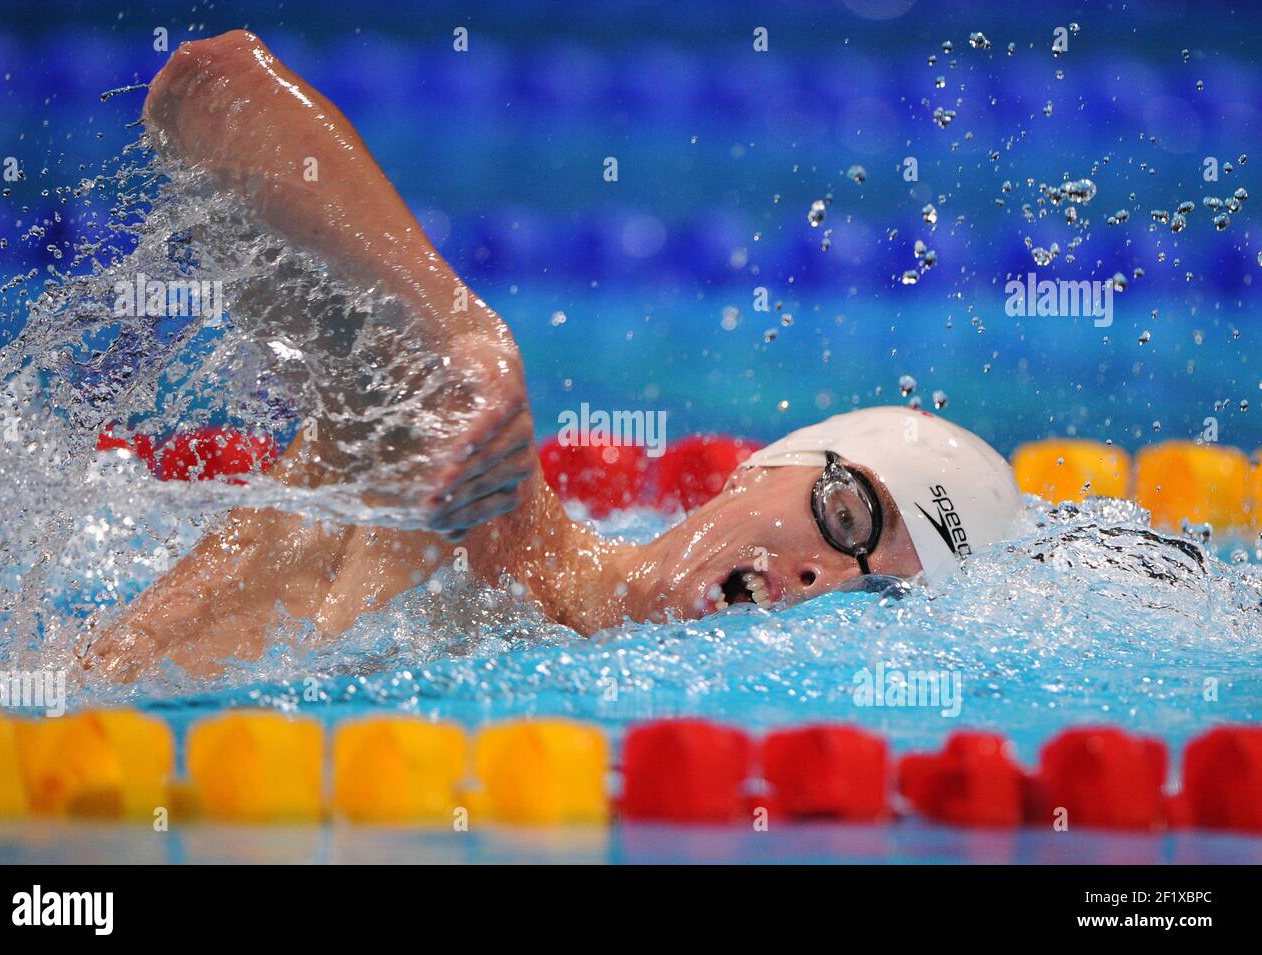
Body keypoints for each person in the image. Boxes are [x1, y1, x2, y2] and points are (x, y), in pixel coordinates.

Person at [82, 31, 1022, 681]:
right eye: (847, 514)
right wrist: (458, 331)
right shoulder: (461, 489)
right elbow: (209, 87)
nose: (827, 578)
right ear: (758, 467)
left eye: (878, 600)